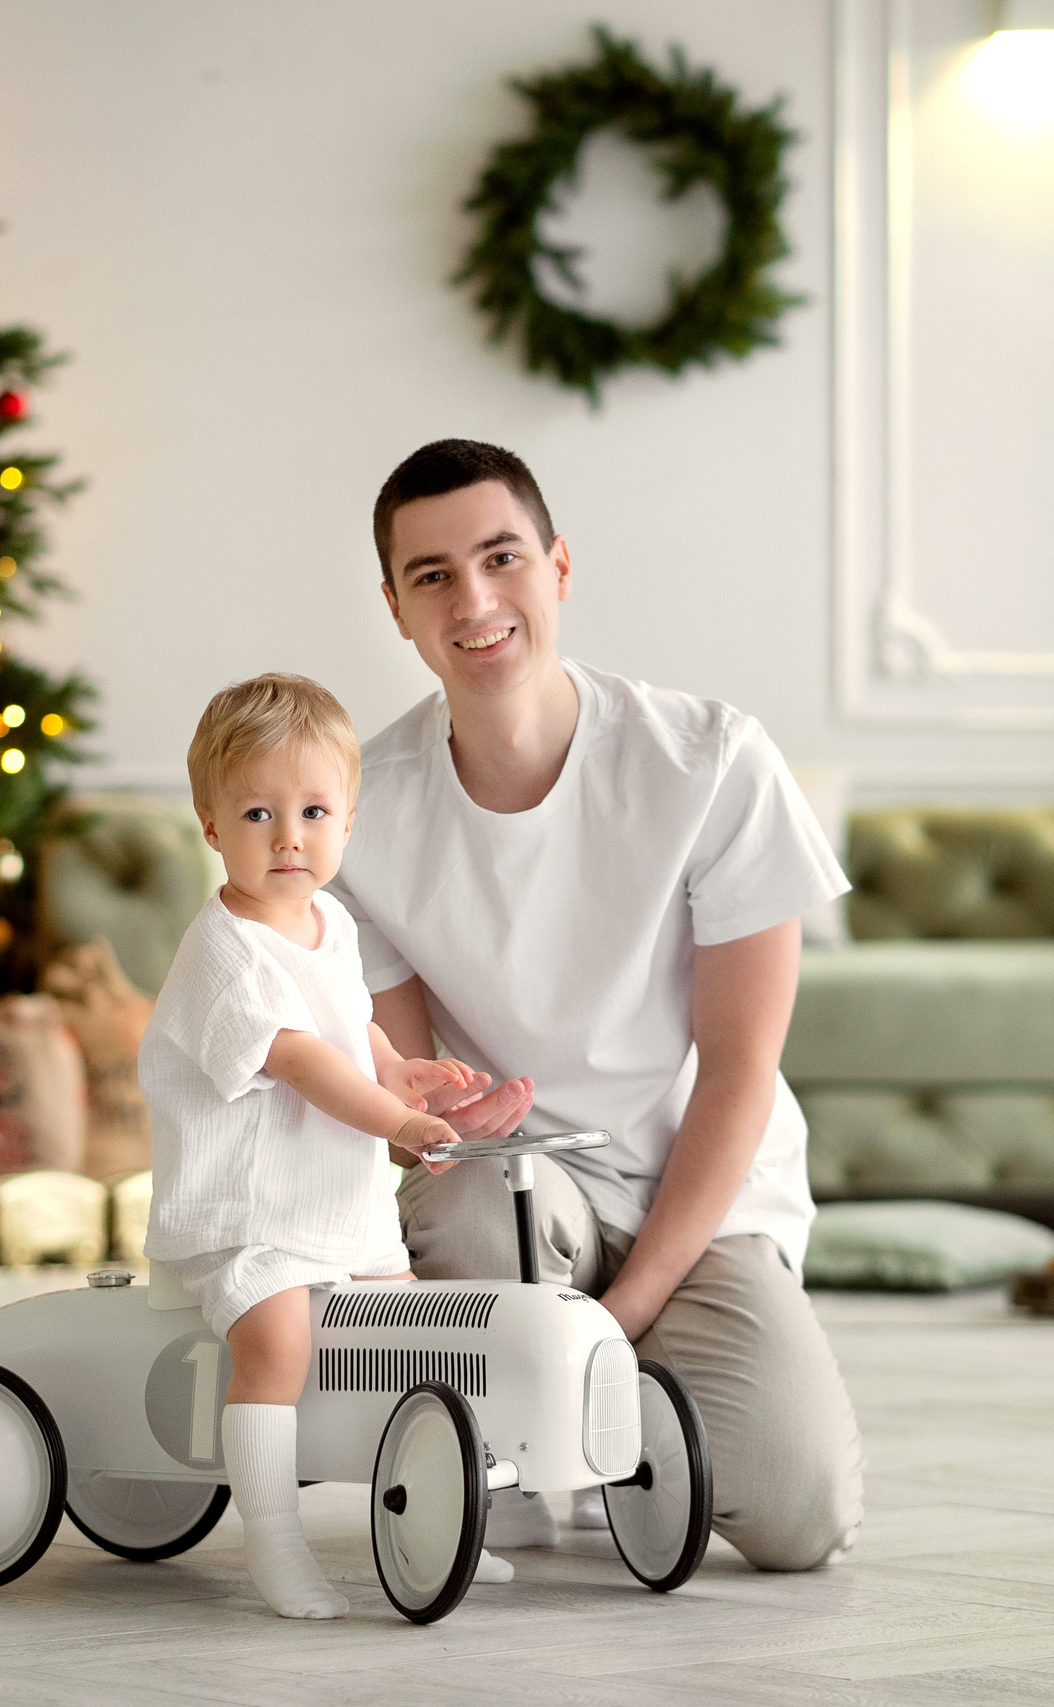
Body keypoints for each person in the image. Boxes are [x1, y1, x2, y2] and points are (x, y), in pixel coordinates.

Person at [326, 439, 867, 1572]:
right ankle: (514, 1441)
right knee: (469, 1203)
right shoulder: (364, 813)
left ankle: (606, 1395)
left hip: (704, 1200)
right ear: (395, 608)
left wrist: (623, 1317)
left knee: (797, 1517)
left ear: (558, 568)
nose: (473, 600)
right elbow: (421, 1117)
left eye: (501, 557)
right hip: (526, 1199)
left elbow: (736, 1074)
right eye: (431, 576)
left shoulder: (710, 763)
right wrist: (427, 1115)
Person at [137, 672, 517, 1620]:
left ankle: (431, 1519)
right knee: (277, 1342)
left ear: (348, 818)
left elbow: (349, 1034)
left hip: (336, 1213)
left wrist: (402, 1071)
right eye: (258, 812)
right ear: (213, 824)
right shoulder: (224, 950)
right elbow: (303, 1061)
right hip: (247, 1212)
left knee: (408, 1344)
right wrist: (397, 1123)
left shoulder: (330, 923)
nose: (288, 836)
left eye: (312, 810)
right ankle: (273, 1539)